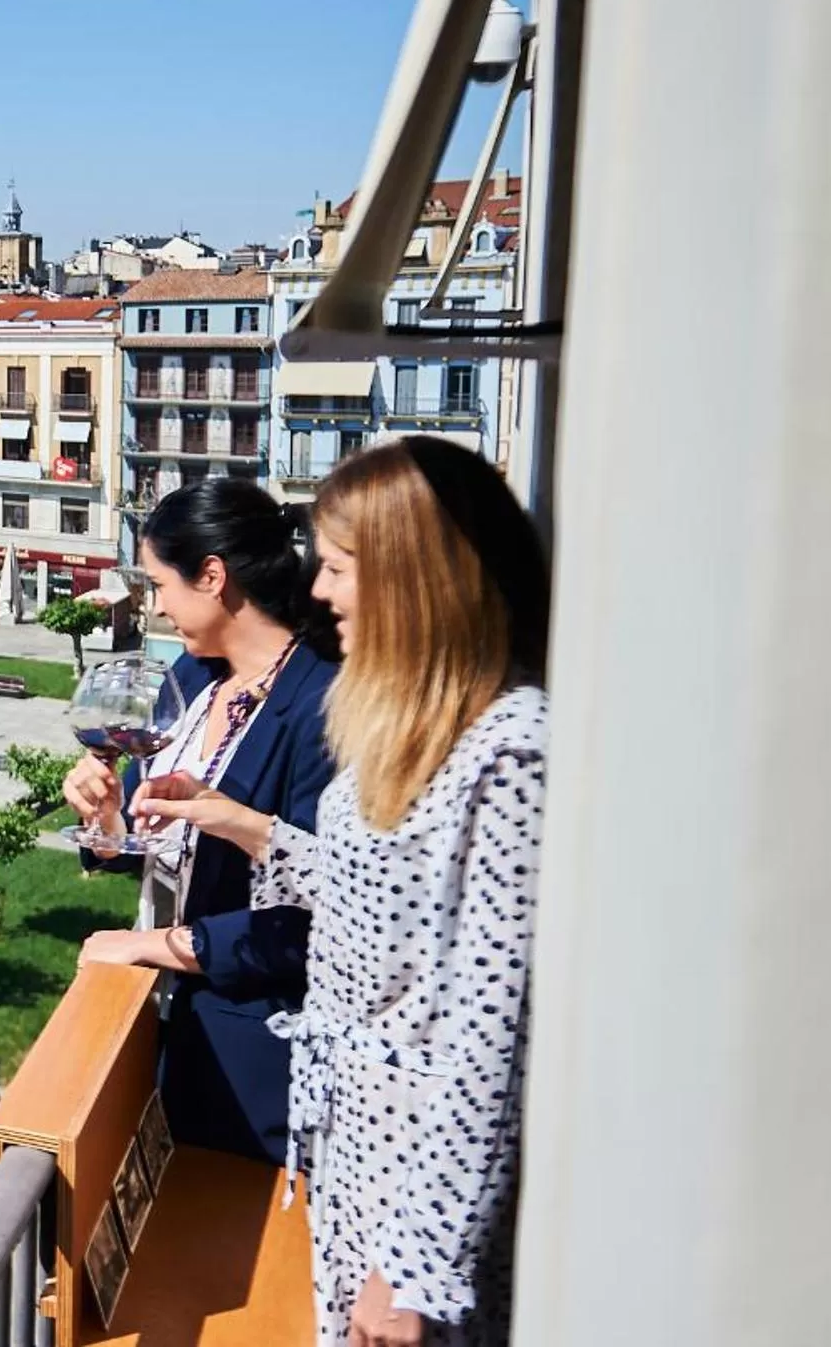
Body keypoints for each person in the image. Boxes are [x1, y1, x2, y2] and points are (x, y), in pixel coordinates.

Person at [139, 439, 550, 1347]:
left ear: (413, 576)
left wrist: (415, 1269)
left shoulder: (512, 751)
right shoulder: (423, 727)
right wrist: (232, 819)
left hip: (414, 1184)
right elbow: (368, 894)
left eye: (336, 566)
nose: (318, 591)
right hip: (352, 1152)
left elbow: (489, 1038)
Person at [65, 477, 340, 1165]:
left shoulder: (320, 707)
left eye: (161, 584)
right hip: (162, 1031)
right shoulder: (190, 681)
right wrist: (104, 818)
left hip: (248, 1068)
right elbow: (140, 837)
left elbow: (318, 920)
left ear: (212, 576)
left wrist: (154, 945)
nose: (156, 607)